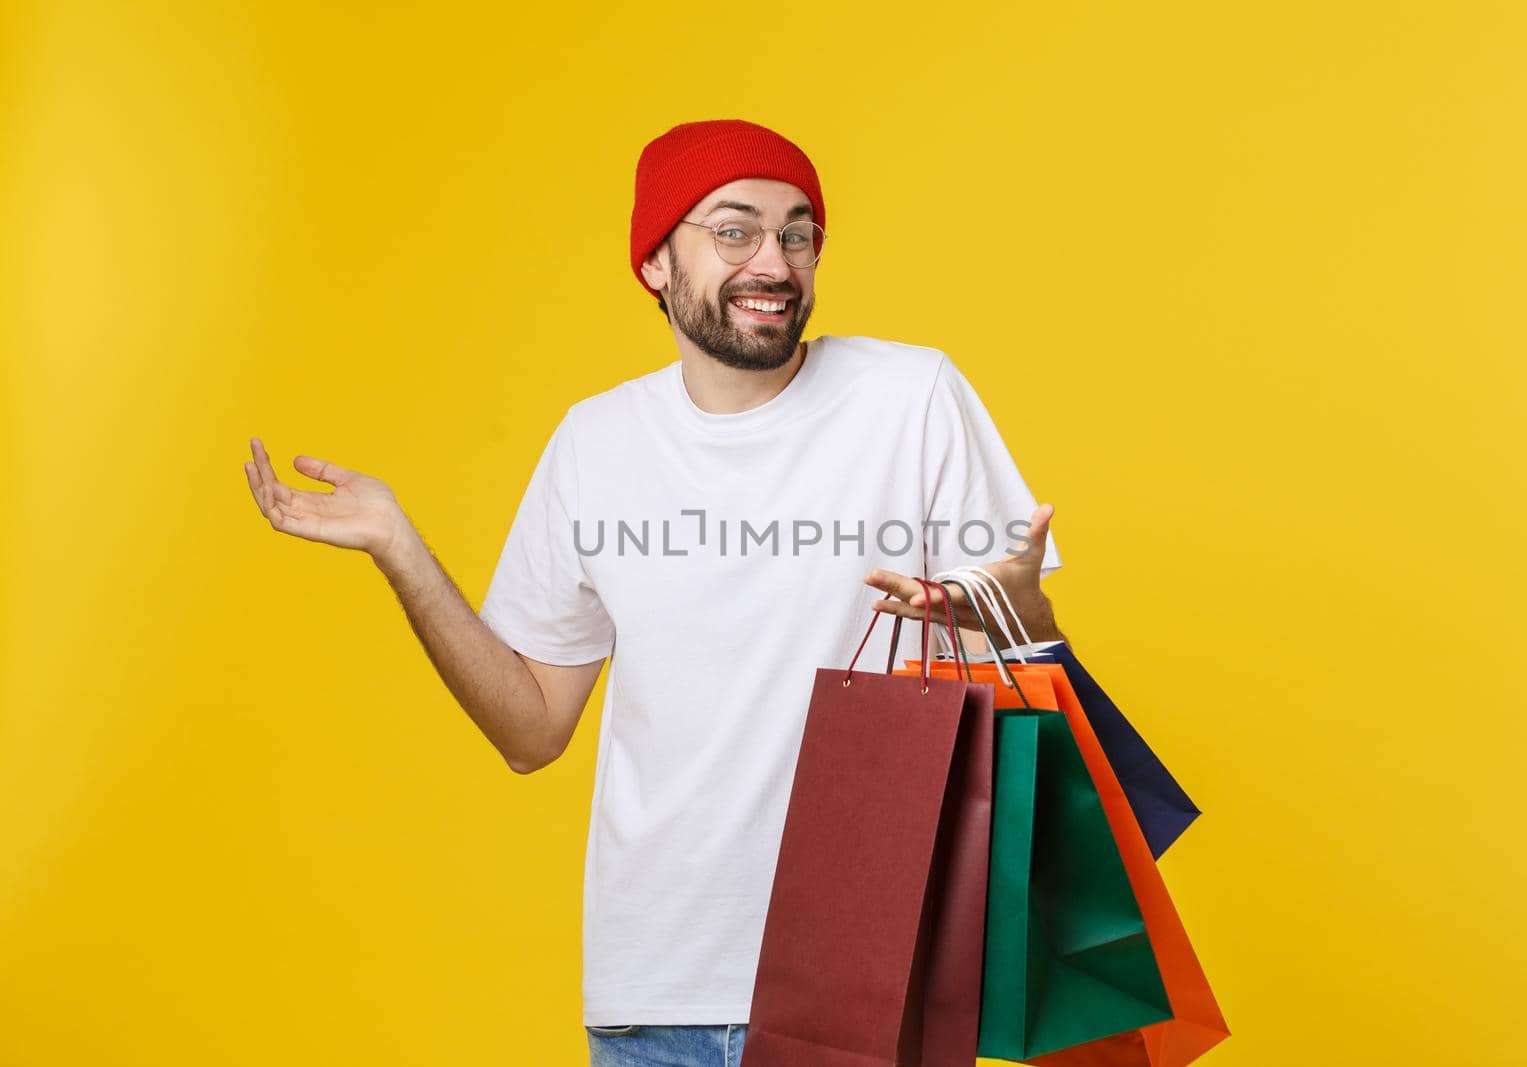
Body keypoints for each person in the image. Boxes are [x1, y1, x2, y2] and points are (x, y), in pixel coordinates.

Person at [243, 118, 1067, 1067]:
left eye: (798, 233)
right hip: (654, 998)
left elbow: (1029, 639)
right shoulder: (595, 444)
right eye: (735, 230)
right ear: (655, 262)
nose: (776, 261)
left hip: (868, 981)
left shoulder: (909, 397)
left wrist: (1005, 607)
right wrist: (401, 548)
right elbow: (531, 732)